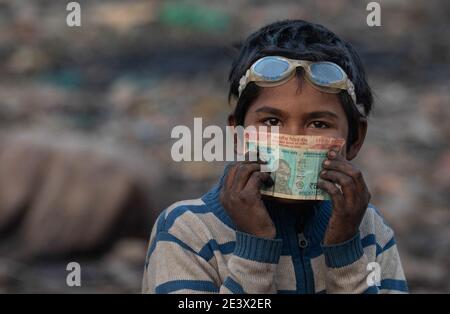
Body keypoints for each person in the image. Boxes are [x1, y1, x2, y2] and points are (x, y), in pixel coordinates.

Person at [142, 19, 408, 294]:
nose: (292, 141)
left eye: (318, 124)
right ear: (238, 134)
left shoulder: (369, 230)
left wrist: (345, 251)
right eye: (271, 121)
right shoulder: (188, 232)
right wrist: (254, 252)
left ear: (355, 140)